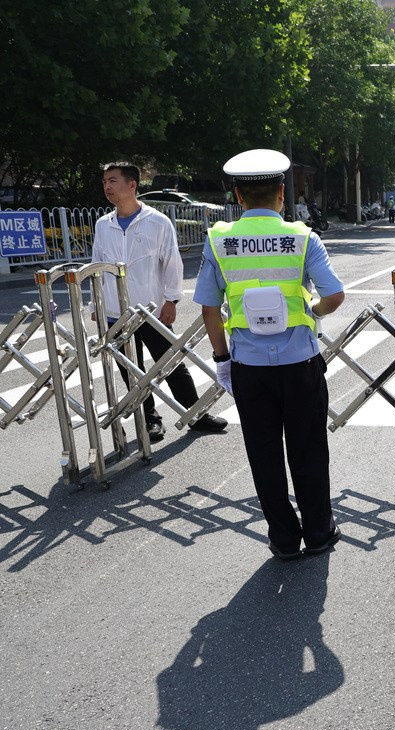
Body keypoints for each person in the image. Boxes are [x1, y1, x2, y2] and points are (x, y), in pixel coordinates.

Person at [195, 149, 345, 561]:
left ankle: (283, 538)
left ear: (238, 197)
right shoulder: (302, 237)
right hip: (300, 364)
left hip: (249, 368)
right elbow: (334, 295)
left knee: (263, 455)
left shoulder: (218, 240)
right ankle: (318, 532)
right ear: (282, 193)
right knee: (308, 448)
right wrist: (311, 311)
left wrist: (222, 361)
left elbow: (209, 308)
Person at [91, 162, 227, 442]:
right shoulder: (104, 225)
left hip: (151, 310)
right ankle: (150, 420)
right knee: (132, 370)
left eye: (113, 180)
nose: (107, 186)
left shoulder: (157, 221)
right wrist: (96, 306)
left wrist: (172, 300)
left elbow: (172, 263)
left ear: (132, 185)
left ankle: (196, 414)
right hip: (116, 313)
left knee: (171, 362)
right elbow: (97, 265)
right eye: (105, 181)